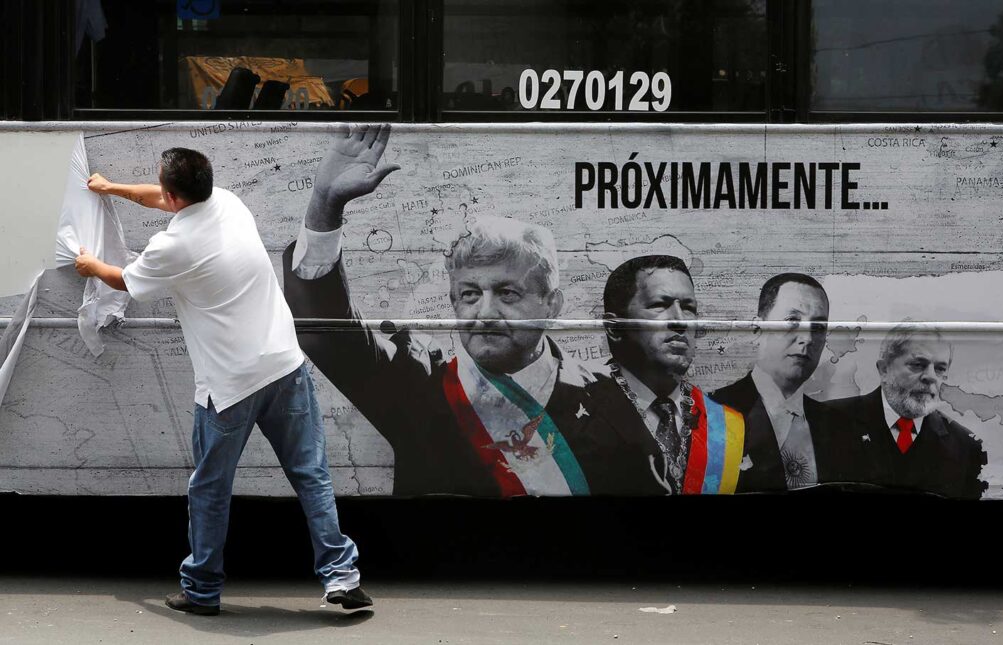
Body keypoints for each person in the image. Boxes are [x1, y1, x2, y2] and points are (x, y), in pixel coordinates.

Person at [74, 148, 370, 616]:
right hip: (283, 365)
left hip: (229, 386)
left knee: (210, 487)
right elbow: (161, 199)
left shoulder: (171, 248)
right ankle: (341, 577)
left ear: (175, 196)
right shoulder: (230, 203)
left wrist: (91, 266)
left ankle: (202, 590)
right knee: (311, 474)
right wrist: (112, 189)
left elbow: (125, 282)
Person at [284, 124, 612, 497]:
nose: (485, 311)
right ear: (454, 302)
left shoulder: (610, 399)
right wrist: (325, 206)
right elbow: (326, 333)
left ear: (553, 305)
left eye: (507, 293)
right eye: (470, 294)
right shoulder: (416, 386)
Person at [585, 255, 745, 495]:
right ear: (615, 328)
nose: (680, 321)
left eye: (689, 308)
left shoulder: (727, 423)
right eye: (660, 304)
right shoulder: (576, 412)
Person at [710, 273, 858, 492]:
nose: (807, 338)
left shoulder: (840, 428)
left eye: (817, 327)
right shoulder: (712, 413)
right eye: (792, 321)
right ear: (757, 329)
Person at [820, 324, 987, 499]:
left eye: (940, 369)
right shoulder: (829, 421)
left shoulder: (966, 446)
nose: (930, 377)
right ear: (884, 369)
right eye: (917, 364)